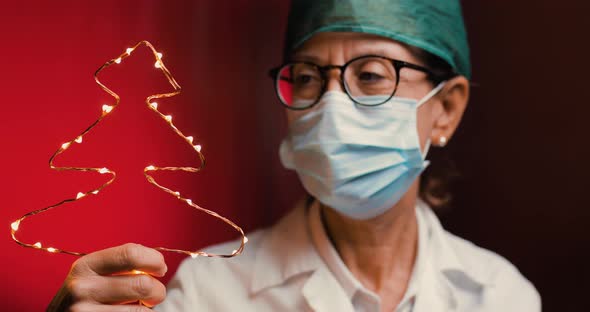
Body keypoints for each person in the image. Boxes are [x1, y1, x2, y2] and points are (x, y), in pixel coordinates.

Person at [48, 1, 541, 311]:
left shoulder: (499, 296)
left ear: (446, 110)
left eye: (370, 76)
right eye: (307, 77)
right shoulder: (211, 291)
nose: (331, 106)